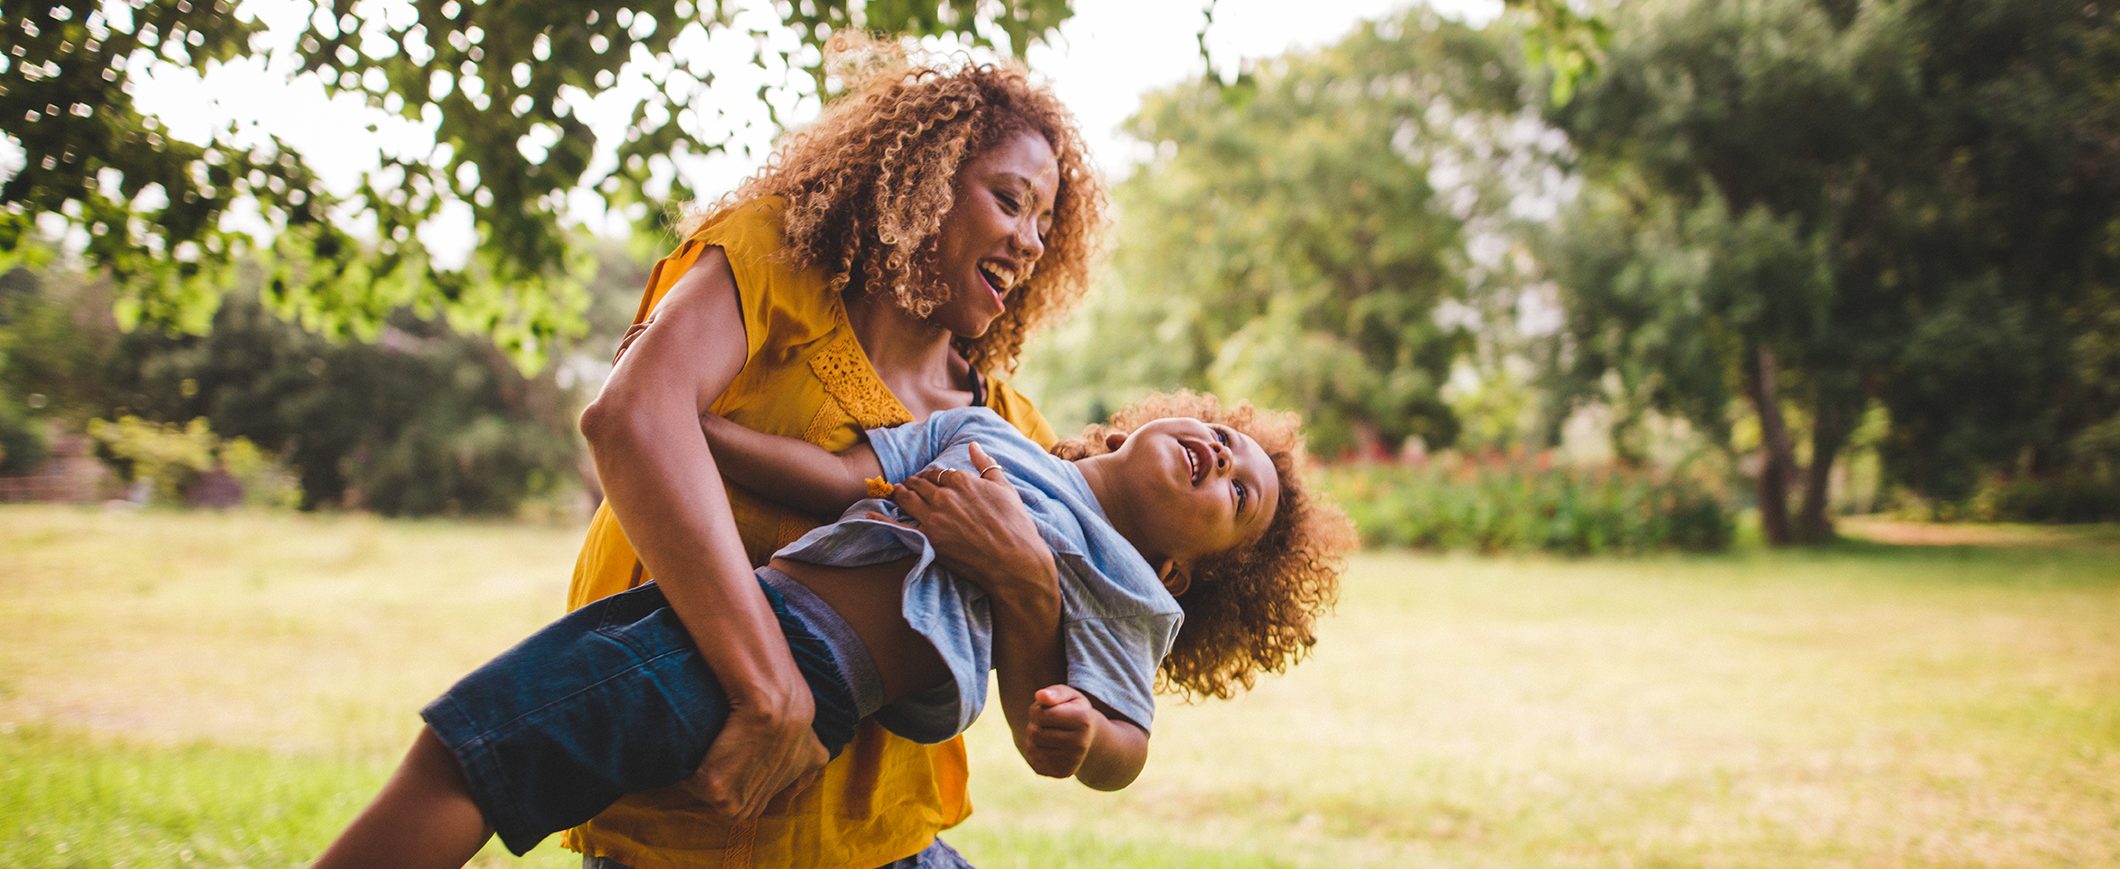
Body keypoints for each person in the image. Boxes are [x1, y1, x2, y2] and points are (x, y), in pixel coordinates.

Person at [314, 391, 1356, 866]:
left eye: (1235, 496)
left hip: (805, 665)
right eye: (1221, 442)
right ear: (1138, 424)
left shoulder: (1129, 585)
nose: (1216, 461)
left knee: (489, 741)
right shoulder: (984, 427)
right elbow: (834, 480)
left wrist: (1088, 735)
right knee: (498, 738)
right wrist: (697, 429)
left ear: (1184, 565)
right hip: (740, 618)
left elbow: (1126, 741)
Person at [561, 41, 1103, 868]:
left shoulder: (1007, 431)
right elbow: (632, 418)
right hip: (683, 826)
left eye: (1044, 225)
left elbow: (1050, 700)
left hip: (885, 845)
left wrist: (1027, 581)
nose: (1029, 242)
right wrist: (766, 687)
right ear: (923, 180)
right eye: (1009, 200)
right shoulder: (770, 268)